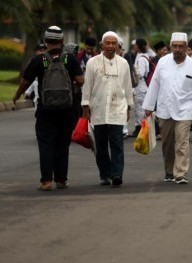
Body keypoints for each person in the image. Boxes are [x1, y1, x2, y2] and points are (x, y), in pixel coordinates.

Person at [12, 26, 84, 191]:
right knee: (62, 144)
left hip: (45, 110)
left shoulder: (38, 60)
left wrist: (17, 95)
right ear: (62, 41)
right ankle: (61, 180)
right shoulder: (69, 59)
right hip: (67, 110)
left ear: (45, 41)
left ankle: (46, 181)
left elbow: (25, 81)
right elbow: (80, 80)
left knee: (46, 144)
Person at [142, 32, 192, 185]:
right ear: (170, 47)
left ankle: (181, 173)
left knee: (182, 142)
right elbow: (155, 84)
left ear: (186, 48)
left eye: (181, 47)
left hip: (185, 110)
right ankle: (169, 171)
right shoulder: (163, 63)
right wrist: (149, 106)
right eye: (175, 46)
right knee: (168, 144)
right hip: (165, 110)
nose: (178, 49)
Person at [81, 31, 134, 187]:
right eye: (108, 43)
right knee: (101, 144)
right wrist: (85, 105)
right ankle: (105, 174)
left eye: (114, 43)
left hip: (118, 107)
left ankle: (117, 174)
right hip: (98, 108)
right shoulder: (93, 62)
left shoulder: (123, 63)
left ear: (118, 46)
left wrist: (129, 106)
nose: (111, 46)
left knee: (117, 141)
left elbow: (128, 86)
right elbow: (87, 85)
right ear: (102, 45)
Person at [132, 38, 150, 137]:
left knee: (140, 108)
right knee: (139, 108)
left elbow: (141, 73)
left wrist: (134, 72)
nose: (134, 46)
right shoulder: (141, 56)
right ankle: (139, 127)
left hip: (141, 86)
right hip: (140, 86)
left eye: (136, 45)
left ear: (138, 46)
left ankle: (140, 129)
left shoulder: (142, 58)